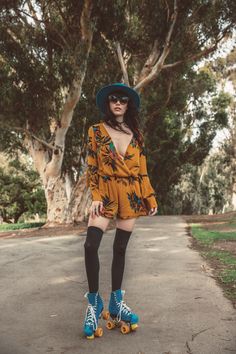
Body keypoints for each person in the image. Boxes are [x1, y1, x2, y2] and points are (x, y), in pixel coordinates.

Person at [83, 82, 158, 339]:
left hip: (131, 193)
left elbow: (143, 168)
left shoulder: (136, 133)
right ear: (108, 103)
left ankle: (116, 302)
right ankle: (94, 304)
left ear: (128, 105)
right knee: (90, 245)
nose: (118, 103)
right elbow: (92, 166)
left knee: (120, 248)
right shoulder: (94, 130)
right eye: (114, 99)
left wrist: (149, 196)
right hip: (105, 192)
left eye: (123, 100)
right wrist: (95, 196)